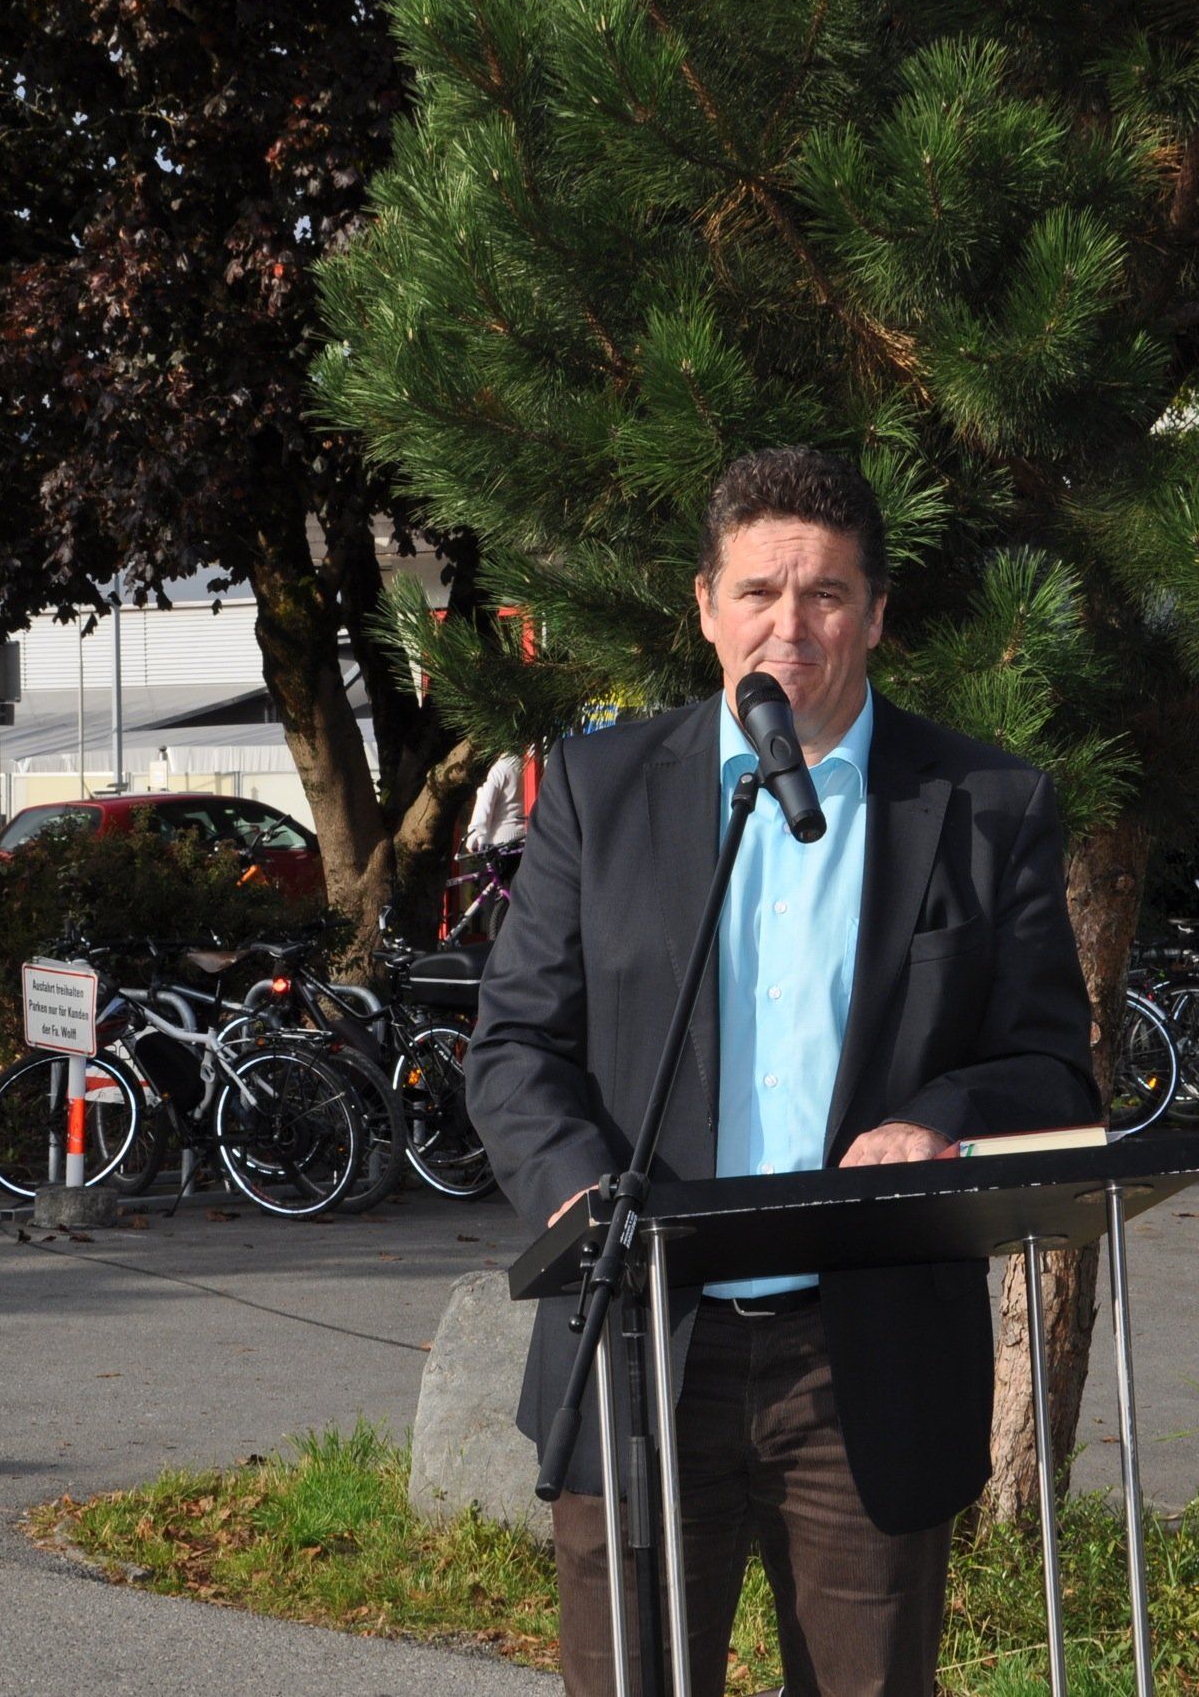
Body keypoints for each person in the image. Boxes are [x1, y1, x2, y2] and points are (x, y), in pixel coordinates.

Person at [469, 446, 1098, 1697]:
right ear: (705, 606)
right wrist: (580, 1193)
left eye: (824, 594)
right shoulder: (598, 789)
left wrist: (939, 1118)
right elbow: (515, 1045)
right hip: (643, 1338)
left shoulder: (985, 803)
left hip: (863, 1358)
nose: (789, 626)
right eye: (757, 591)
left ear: (876, 613)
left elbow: (1050, 1071)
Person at [463, 750, 528, 854]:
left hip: (499, 841)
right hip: (524, 836)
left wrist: (473, 836)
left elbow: (485, 804)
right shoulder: (526, 763)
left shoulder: (500, 769)